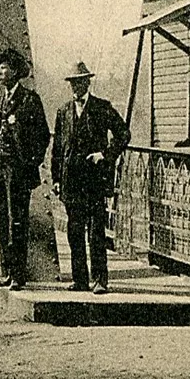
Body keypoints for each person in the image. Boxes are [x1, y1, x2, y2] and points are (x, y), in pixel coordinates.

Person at [50, 60, 131, 294]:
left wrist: (105, 155)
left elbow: (123, 133)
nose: (76, 87)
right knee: (75, 232)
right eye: (73, 83)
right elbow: (57, 149)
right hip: (71, 181)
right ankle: (80, 279)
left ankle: (100, 280)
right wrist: (56, 178)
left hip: (94, 180)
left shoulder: (101, 107)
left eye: (80, 82)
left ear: (88, 82)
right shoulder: (63, 111)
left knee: (96, 232)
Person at [0, 48, 49, 291]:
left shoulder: (29, 99)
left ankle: (19, 275)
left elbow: (42, 135)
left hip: (18, 170)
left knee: (17, 221)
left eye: (5, 68)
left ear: (16, 73)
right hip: (1, 168)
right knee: (2, 219)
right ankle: (7, 271)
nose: (1, 72)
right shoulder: (2, 99)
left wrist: (30, 162)